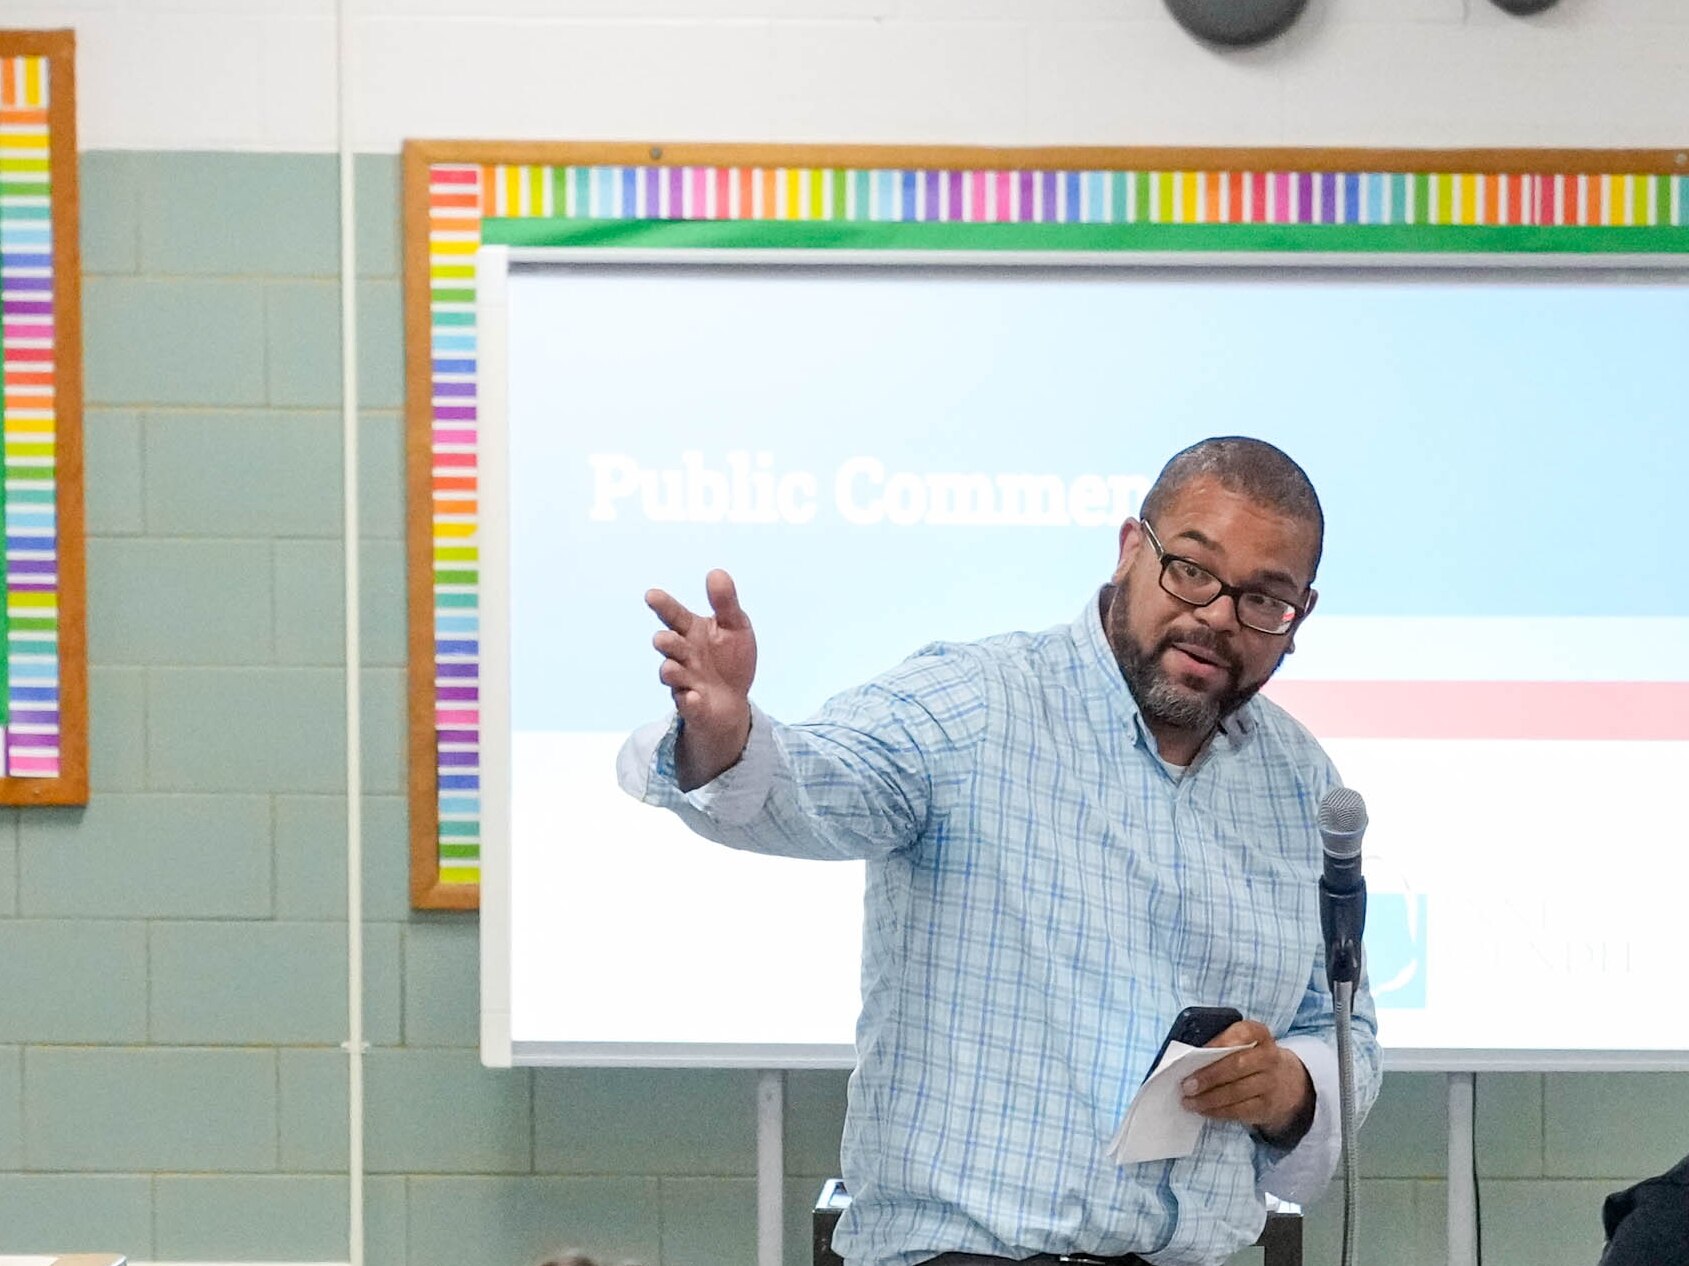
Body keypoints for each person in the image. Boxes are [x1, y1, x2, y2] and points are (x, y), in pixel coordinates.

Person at [618, 436, 1382, 1266]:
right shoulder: (976, 703)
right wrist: (724, 735)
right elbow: (809, 786)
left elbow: (1339, 1024)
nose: (1216, 616)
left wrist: (1291, 1089)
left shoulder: (1297, 781)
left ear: (1298, 619)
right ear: (1131, 550)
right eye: (1191, 571)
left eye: (1263, 601)